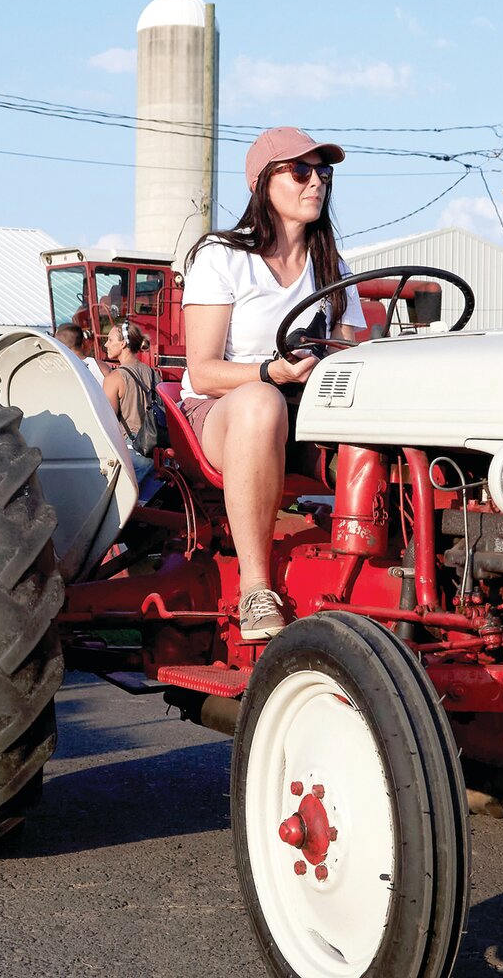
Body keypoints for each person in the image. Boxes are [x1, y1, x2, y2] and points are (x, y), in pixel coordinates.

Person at [179, 126, 365, 639]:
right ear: (263, 184)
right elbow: (202, 371)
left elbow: (350, 356)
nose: (316, 183)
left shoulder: (333, 268)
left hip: (305, 412)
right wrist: (272, 372)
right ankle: (256, 589)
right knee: (262, 402)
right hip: (223, 411)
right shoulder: (221, 256)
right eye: (300, 171)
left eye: (323, 173)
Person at [102, 320, 160, 482]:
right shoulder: (153, 373)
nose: (106, 344)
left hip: (131, 452)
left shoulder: (114, 378)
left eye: (110, 340)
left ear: (123, 344)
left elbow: (107, 421)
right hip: (155, 451)